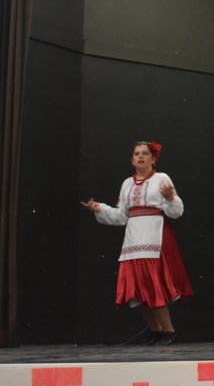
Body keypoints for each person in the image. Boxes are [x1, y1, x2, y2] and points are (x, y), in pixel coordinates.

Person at [81, 141, 193, 346]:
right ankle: (156, 330)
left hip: (154, 237)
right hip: (132, 240)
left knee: (153, 287)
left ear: (153, 158)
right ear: (132, 160)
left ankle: (170, 331)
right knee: (135, 293)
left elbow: (176, 212)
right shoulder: (127, 184)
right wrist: (100, 208)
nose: (141, 156)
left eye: (145, 153)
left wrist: (169, 198)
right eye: (137, 154)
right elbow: (121, 216)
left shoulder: (162, 178)